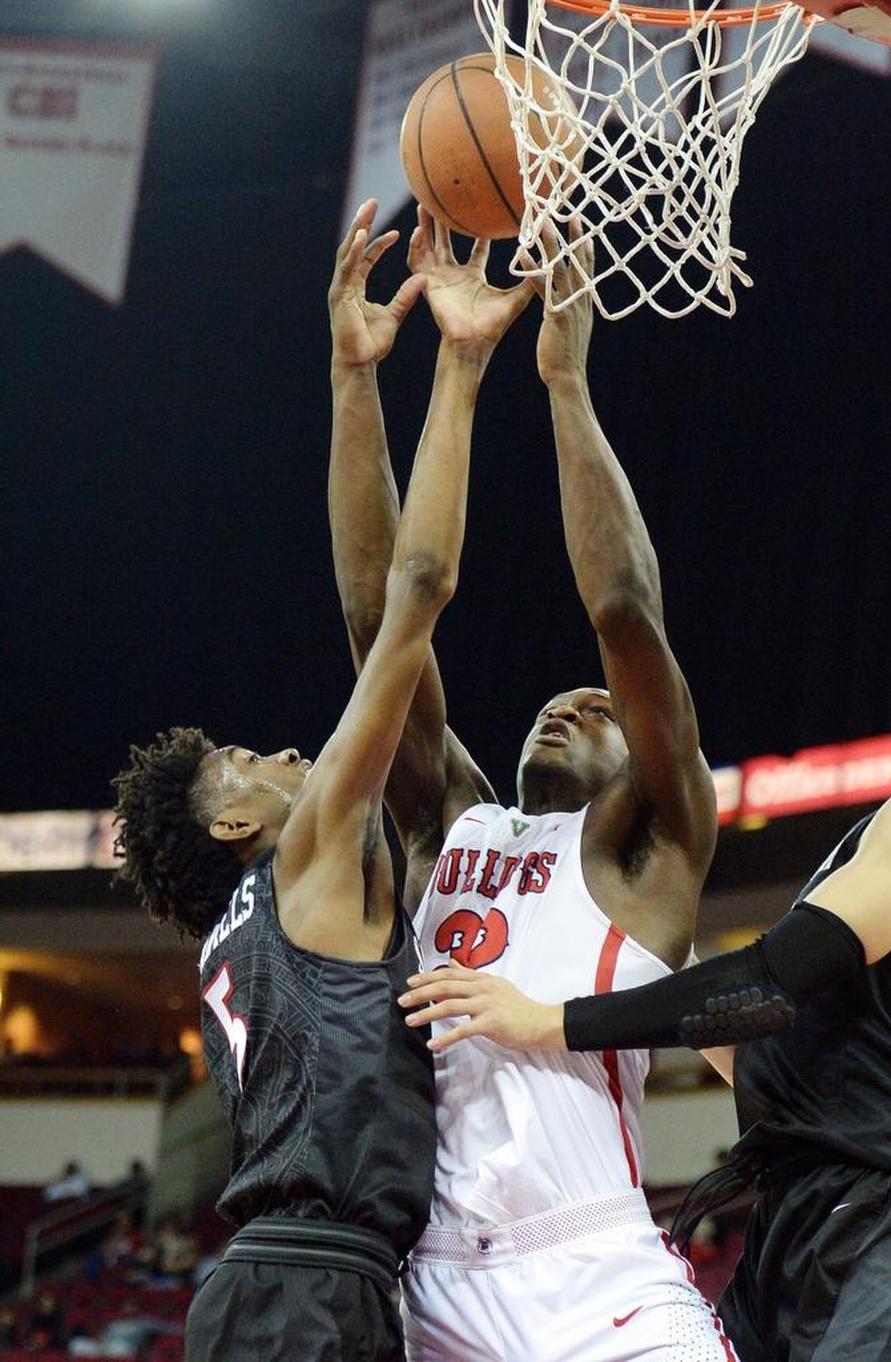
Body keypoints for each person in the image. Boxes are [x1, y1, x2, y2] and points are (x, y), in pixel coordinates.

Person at [401, 593, 891, 1361]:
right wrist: (651, 951)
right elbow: (775, 1048)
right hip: (798, 1218)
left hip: (883, 1221)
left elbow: (771, 981)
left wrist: (551, 1020)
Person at [111, 202, 527, 1362]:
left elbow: (377, 610)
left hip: (297, 1284)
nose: (287, 753)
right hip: (312, 1288)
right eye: (250, 763)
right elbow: (414, 594)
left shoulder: (256, 921)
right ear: (238, 821)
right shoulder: (303, 863)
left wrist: (354, 378)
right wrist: (460, 365)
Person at [330, 218, 738, 1360]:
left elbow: (626, 615)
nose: (573, 705)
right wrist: (364, 380)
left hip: (596, 1266)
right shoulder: (450, 821)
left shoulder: (645, 849)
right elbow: (382, 621)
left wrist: (564, 381)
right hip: (434, 1280)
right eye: (560, 702)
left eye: (600, 710)